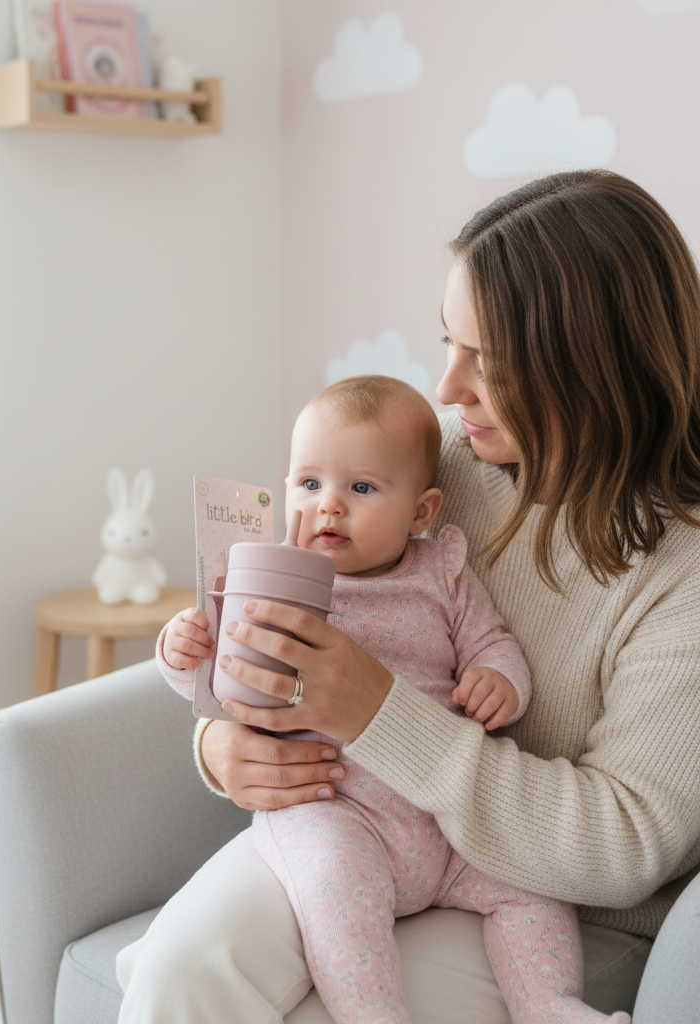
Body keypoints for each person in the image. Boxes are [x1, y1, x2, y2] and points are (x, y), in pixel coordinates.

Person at [116, 170, 700, 1024]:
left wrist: (379, 713)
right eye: (449, 344)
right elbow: (283, 620)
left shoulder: (679, 573)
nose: (448, 388)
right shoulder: (447, 469)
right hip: (351, 827)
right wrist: (221, 743)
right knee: (178, 975)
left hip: (534, 890)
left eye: (488, 363)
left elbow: (627, 844)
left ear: (590, 366)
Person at [156, 376, 627, 1024]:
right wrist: (183, 653)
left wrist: (500, 681)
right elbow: (227, 679)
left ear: (422, 512)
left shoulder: (442, 571)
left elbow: (491, 641)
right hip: (335, 807)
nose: (329, 507)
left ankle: (550, 1005)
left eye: (362, 488)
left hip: (449, 822)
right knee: (335, 894)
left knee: (531, 886)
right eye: (309, 483)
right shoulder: (277, 580)